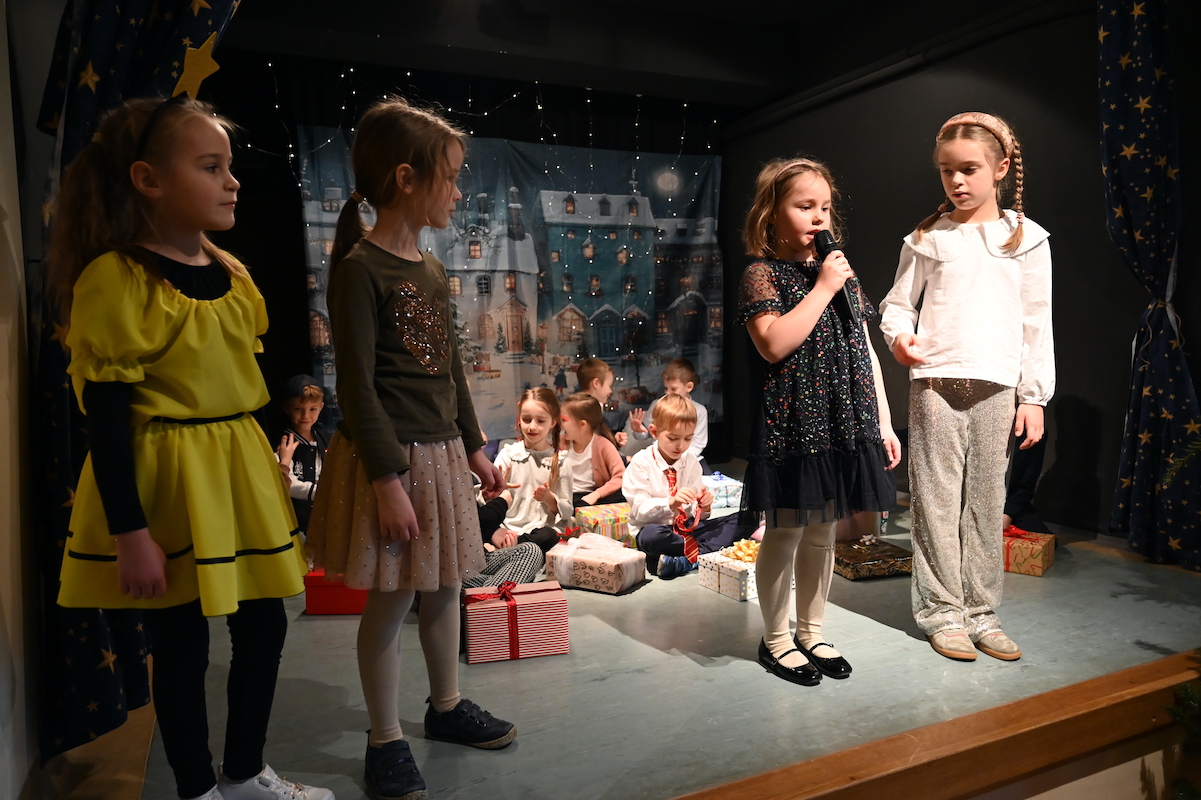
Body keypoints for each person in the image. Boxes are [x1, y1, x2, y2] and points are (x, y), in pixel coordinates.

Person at [49, 96, 331, 800]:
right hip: (168, 477)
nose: (231, 182)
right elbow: (105, 419)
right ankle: (196, 788)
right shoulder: (117, 278)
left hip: (236, 467)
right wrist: (130, 532)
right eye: (210, 167)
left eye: (229, 166)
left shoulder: (232, 272)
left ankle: (244, 772)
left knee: (263, 624)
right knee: (179, 642)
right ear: (148, 179)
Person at [305, 96, 515, 800]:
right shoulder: (359, 269)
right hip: (394, 461)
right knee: (392, 600)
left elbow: (450, 370)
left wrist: (475, 446)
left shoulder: (428, 267)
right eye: (449, 177)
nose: (456, 192)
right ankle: (384, 738)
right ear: (406, 178)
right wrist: (387, 479)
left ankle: (446, 706)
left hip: (443, 456)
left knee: (446, 584)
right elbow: (357, 387)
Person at [879, 112, 1053, 663]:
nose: (956, 181)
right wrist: (901, 339)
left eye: (969, 169)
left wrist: (1034, 396)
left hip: (996, 385)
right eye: (946, 170)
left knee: (985, 500)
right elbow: (897, 305)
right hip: (936, 381)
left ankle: (982, 612)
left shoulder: (1026, 239)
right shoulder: (928, 237)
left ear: (1000, 169)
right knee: (934, 500)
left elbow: (1037, 321)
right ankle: (942, 612)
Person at [737, 157, 901, 687]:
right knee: (786, 530)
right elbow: (773, 343)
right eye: (804, 206)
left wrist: (884, 422)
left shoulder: (838, 272)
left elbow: (866, 350)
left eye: (825, 207)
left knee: (823, 531)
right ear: (771, 214)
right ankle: (776, 639)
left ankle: (811, 631)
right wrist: (824, 288)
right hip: (794, 424)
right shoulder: (762, 273)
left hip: (841, 421)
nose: (818, 217)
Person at [625, 394, 744, 580]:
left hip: (687, 529)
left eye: (688, 439)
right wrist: (670, 502)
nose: (680, 446)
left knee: (746, 518)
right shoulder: (641, 462)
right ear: (654, 432)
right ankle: (701, 553)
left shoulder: (691, 462)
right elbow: (639, 510)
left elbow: (698, 514)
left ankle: (687, 561)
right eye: (673, 438)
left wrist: (705, 506)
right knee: (651, 536)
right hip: (658, 529)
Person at [487, 388, 575, 553]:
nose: (532, 427)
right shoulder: (508, 454)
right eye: (527, 420)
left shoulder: (561, 461)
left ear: (553, 422)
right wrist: (494, 492)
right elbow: (488, 501)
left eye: (540, 421)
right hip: (507, 529)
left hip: (540, 531)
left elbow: (567, 510)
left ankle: (517, 548)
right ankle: (514, 547)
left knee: (549, 535)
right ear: (519, 420)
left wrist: (549, 499)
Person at [624, 358, 710, 470]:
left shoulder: (699, 411)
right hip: (659, 461)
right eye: (666, 388)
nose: (668, 393)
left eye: (673, 389)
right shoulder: (657, 405)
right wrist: (638, 430)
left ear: (689, 387)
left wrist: (677, 461)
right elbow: (647, 433)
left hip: (688, 461)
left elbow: (697, 444)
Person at [276, 375, 331, 537]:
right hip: (295, 519)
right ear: (287, 408)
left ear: (321, 407)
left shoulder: (326, 439)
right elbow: (288, 484)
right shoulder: (282, 442)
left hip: (324, 515)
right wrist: (323, 492)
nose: (305, 416)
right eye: (298, 409)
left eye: (312, 409)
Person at [560, 392, 626, 507]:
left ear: (582, 424)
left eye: (564, 420)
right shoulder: (560, 442)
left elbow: (620, 476)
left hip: (594, 495)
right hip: (569, 496)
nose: (560, 424)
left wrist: (597, 494)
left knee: (623, 494)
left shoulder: (603, 445)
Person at [576, 357, 628, 447]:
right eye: (609, 386)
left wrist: (613, 439)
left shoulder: (590, 410)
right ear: (596, 383)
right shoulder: (587, 413)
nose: (610, 391)